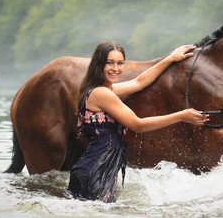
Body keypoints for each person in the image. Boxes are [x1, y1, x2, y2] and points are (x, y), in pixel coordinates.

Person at [67, 41, 209, 202]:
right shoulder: (102, 94)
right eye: (109, 63)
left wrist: (170, 58)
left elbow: (139, 82)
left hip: (96, 171)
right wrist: (181, 116)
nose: (116, 68)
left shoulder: (103, 90)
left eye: (120, 63)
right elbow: (137, 124)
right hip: (94, 173)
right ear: (98, 64)